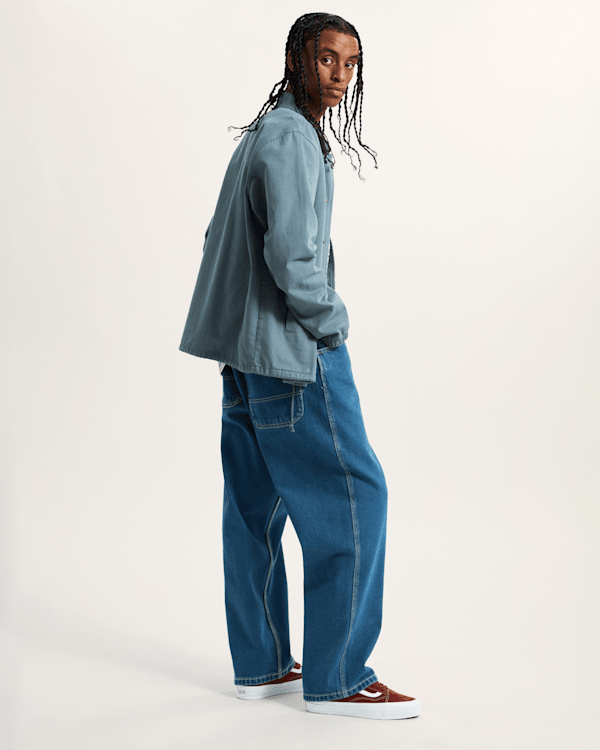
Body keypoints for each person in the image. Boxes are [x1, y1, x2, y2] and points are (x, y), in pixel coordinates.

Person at [179, 12, 421, 720]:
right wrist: (331, 325)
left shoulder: (268, 131)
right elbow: (292, 258)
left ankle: (261, 665)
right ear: (296, 59)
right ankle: (339, 677)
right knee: (356, 496)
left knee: (254, 510)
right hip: (292, 356)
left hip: (246, 359)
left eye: (351, 63)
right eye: (327, 58)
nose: (340, 75)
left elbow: (218, 237)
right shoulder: (289, 137)